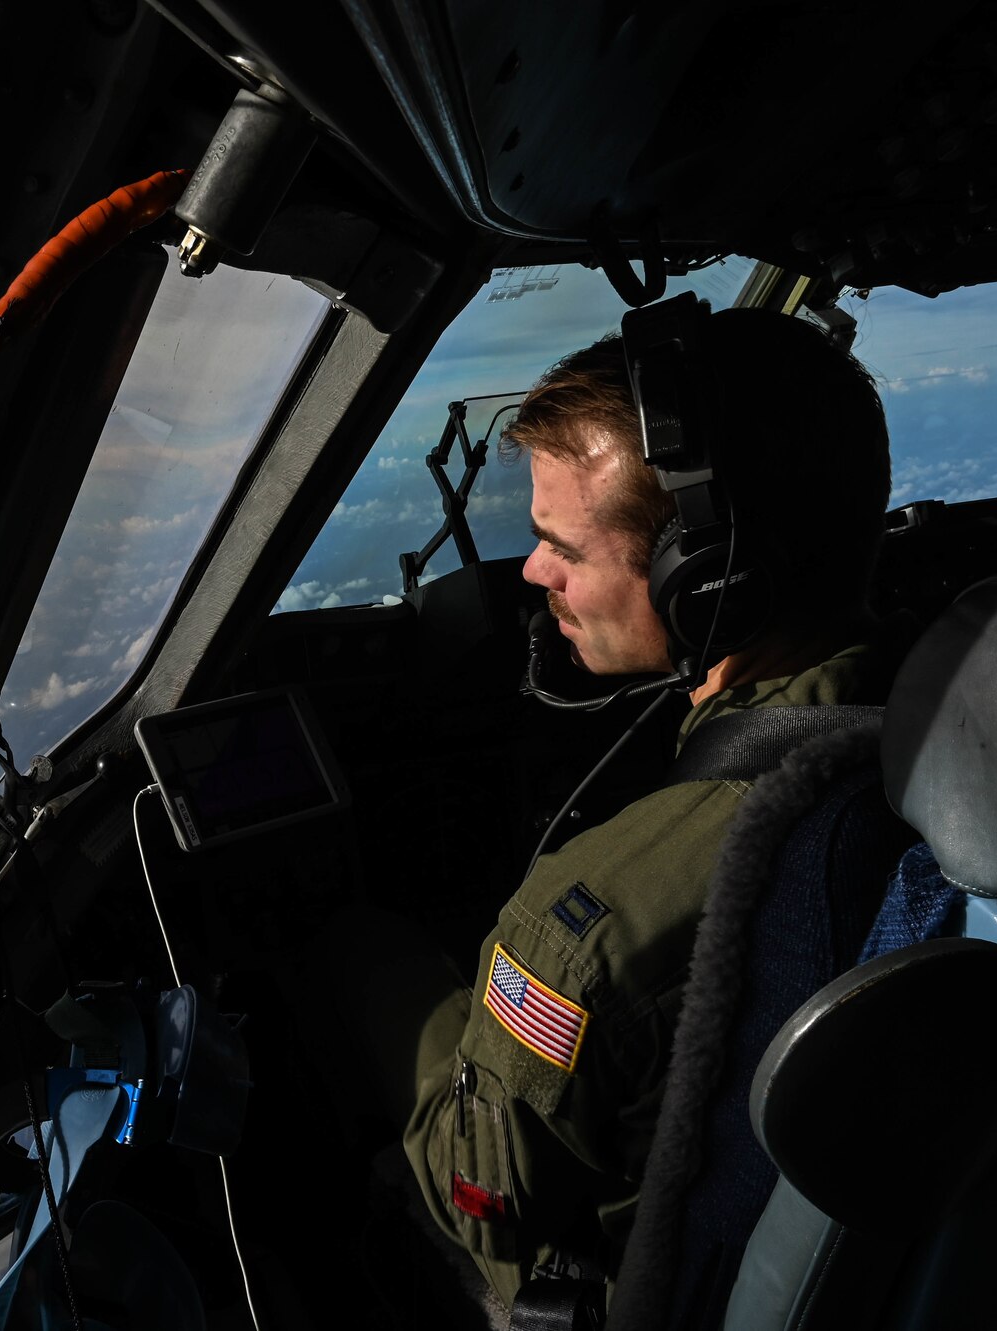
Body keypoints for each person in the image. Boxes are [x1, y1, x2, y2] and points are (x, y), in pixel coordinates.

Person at [366, 307, 898, 1311]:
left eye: (560, 544)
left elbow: (479, 1194)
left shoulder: (594, 917)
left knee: (354, 962)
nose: (532, 573)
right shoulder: (945, 708)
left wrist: (460, 1012)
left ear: (707, 580)